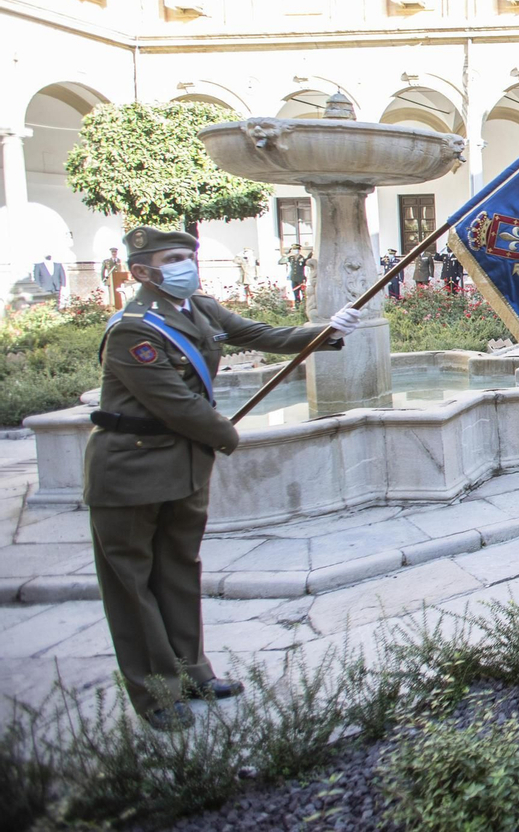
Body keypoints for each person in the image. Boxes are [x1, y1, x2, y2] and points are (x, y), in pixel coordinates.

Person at [86, 227, 359, 730]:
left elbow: (261, 335)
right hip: (131, 468)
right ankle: (156, 692)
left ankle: (192, 672)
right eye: (173, 259)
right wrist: (228, 436)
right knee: (132, 584)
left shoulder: (201, 309)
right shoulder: (133, 328)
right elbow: (174, 403)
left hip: (184, 462)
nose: (185, 265)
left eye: (188, 256)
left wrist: (328, 331)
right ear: (142, 272)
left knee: (178, 570)